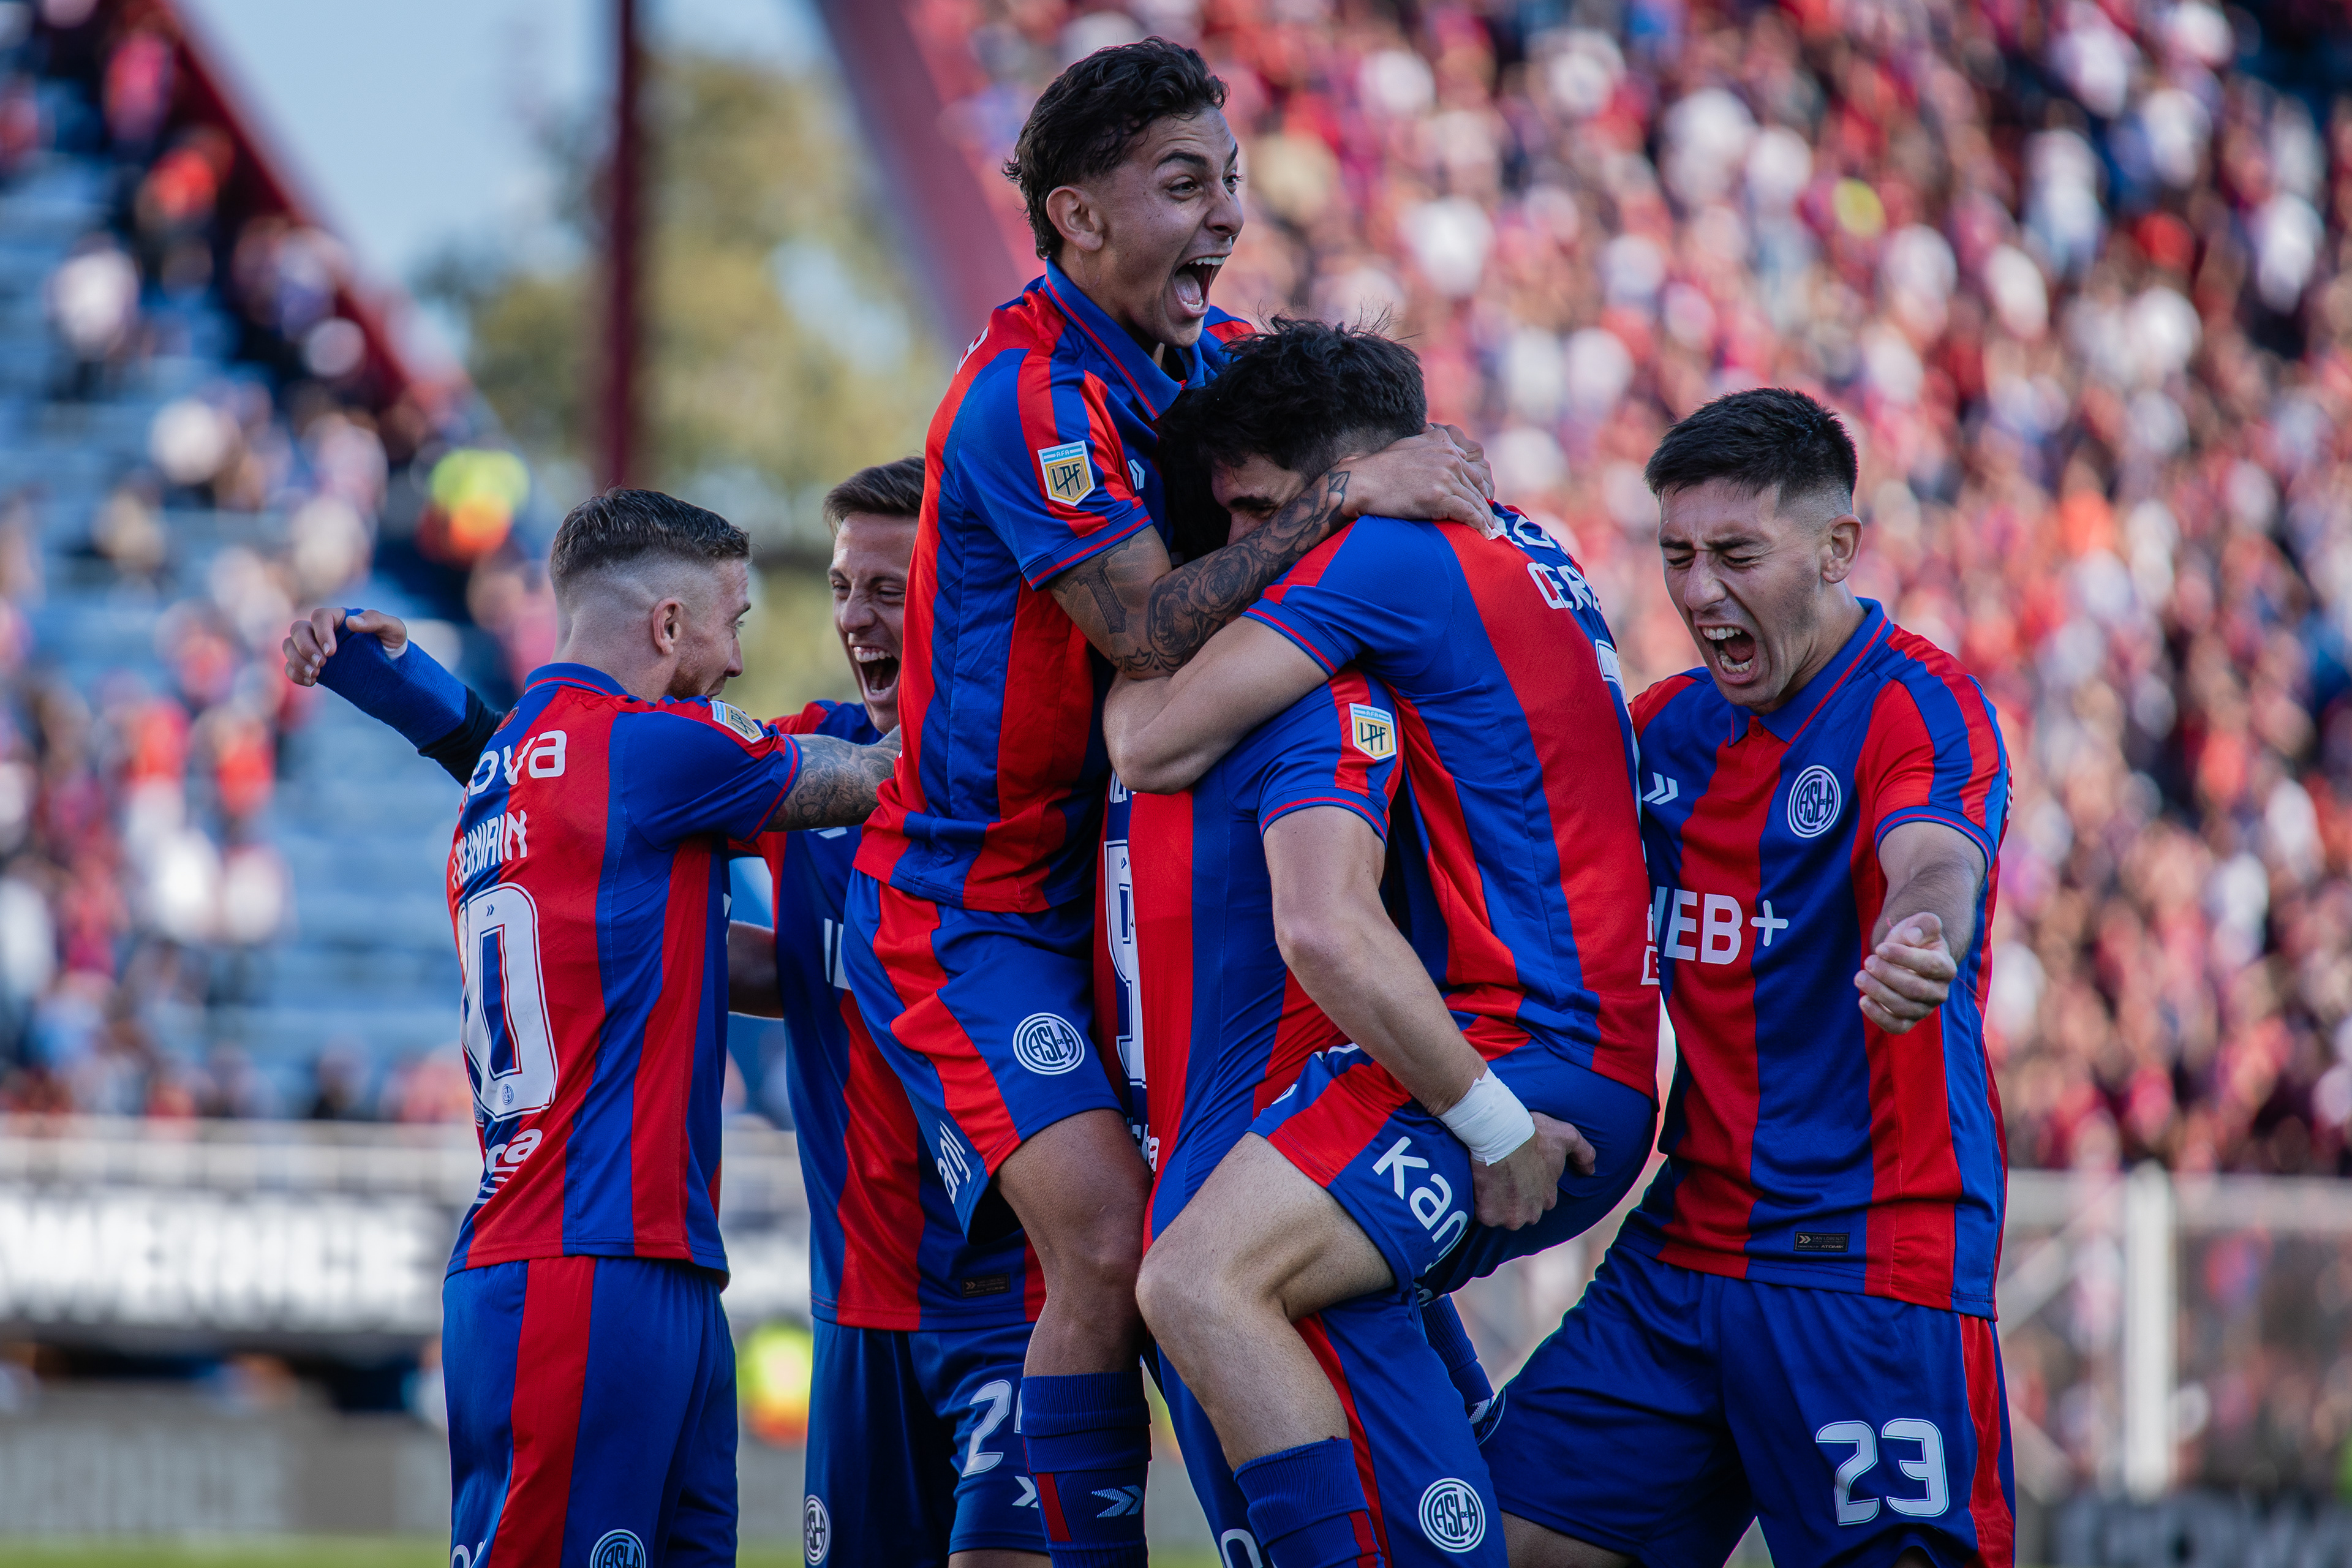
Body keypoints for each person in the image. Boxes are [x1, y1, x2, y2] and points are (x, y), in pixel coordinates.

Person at [838, 40, 1490, 1565]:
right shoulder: (1024, 392)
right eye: (1182, 185)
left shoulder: (1204, 362)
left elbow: (1341, 427)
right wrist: (1344, 497)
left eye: (1232, 182)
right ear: (1074, 214)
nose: (1222, 218)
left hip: (1105, 892)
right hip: (970, 905)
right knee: (1115, 1242)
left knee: (1218, 1230)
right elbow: (1141, 632)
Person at [287, 462, 1049, 1568]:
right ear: (670, 620)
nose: (738, 661)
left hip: (630, 1266)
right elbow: (887, 777)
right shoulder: (656, 753)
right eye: (733, 624)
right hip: (591, 1265)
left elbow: (539, 763)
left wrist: (398, 687)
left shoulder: (518, 767)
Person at [1104, 320, 1658, 1565]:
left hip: (1525, 1069)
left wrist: (1496, 1126)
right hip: (1586, 1049)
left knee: (1199, 1279)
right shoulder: (1531, 547)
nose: (1246, 547)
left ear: (1331, 476)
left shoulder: (1385, 552)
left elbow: (1150, 738)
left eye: (1253, 509)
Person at [1485, 389, 2016, 1568]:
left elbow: (1933, 858)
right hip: (1684, 1252)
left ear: (1837, 550)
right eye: (1677, 555)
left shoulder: (1916, 705)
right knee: (1485, 1547)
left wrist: (1921, 936)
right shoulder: (1663, 732)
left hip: (1868, 1264)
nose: (1699, 591)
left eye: (1736, 554)